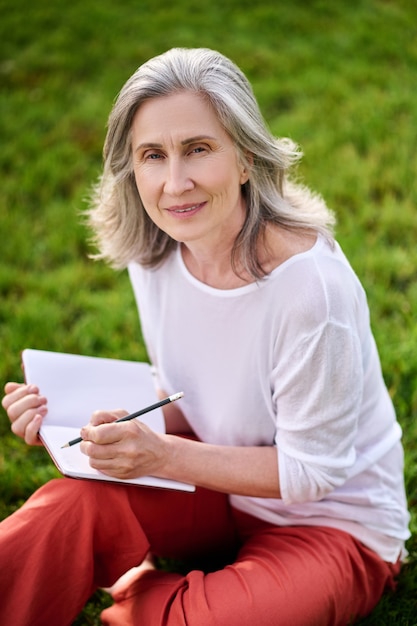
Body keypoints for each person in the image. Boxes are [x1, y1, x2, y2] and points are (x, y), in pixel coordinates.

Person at [0, 47, 410, 626]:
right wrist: (64, 416)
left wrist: (164, 456)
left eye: (197, 149)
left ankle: (144, 593)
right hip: (210, 485)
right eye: (152, 156)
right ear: (131, 169)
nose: (175, 182)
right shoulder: (156, 252)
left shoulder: (311, 290)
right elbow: (187, 392)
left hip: (331, 523)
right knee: (65, 508)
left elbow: (313, 472)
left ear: (245, 157)